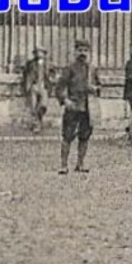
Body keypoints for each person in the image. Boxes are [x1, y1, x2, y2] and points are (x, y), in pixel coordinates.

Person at [53, 39, 101, 173]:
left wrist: (95, 88)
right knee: (67, 136)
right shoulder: (69, 69)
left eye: (85, 50)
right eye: (80, 50)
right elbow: (59, 88)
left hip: (88, 108)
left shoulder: (93, 69)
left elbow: (99, 86)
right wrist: (65, 100)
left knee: (85, 136)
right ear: (75, 52)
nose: (82, 53)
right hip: (73, 106)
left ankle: (80, 164)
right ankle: (63, 165)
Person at [21, 47, 51, 133]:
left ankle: (38, 121)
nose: (39, 54)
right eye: (37, 52)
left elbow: (52, 74)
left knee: (43, 106)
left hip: (43, 87)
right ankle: (36, 126)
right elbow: (26, 75)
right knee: (33, 107)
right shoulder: (31, 64)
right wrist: (28, 85)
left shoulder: (47, 64)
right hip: (34, 86)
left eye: (41, 52)